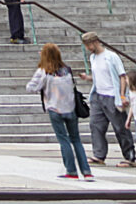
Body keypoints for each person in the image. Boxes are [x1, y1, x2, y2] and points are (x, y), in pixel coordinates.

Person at [29, 43, 90, 180]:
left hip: (54, 108)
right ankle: (86, 171)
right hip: (71, 108)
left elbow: (31, 87)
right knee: (76, 140)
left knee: (64, 140)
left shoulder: (43, 71)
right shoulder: (67, 70)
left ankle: (71, 171)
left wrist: (42, 85)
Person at [82, 34, 135, 166]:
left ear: (95, 42)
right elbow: (98, 76)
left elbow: (122, 76)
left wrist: (122, 95)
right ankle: (99, 155)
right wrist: (88, 78)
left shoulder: (111, 57)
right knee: (96, 125)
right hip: (98, 95)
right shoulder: (93, 57)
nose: (88, 48)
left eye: (88, 45)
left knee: (120, 127)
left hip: (112, 96)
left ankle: (130, 157)